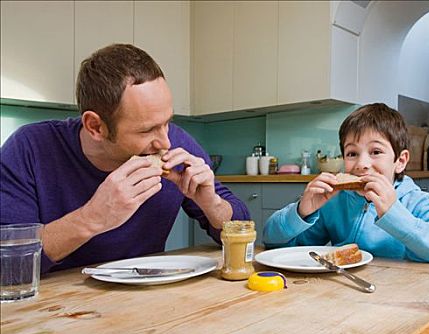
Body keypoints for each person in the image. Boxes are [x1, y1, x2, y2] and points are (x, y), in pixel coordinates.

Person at [0, 44, 250, 273]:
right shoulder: (30, 148)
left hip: (147, 299)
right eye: (146, 130)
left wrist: (212, 205)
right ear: (95, 126)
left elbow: (243, 230)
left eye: (167, 123)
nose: (164, 142)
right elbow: (7, 260)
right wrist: (92, 218)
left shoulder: (178, 144)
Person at [263, 103, 429, 266]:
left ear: (400, 161)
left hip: (402, 301)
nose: (362, 165)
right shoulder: (334, 203)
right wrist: (301, 212)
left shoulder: (418, 203)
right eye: (352, 153)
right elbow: (274, 243)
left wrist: (396, 215)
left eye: (376, 152)